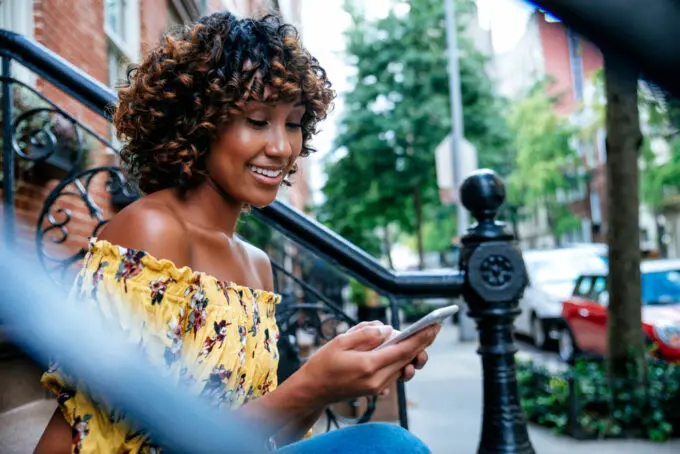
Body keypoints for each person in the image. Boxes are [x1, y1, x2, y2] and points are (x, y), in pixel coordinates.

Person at [34, 11, 436, 454]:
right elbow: (134, 439)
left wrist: (330, 379)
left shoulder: (257, 265)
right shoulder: (151, 232)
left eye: (295, 122)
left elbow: (265, 434)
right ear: (198, 123)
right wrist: (308, 384)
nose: (282, 147)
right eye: (258, 120)